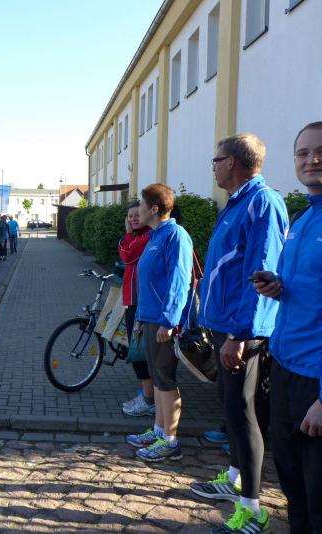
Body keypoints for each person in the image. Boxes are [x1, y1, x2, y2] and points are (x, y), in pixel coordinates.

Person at [253, 121, 322, 533]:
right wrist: (279, 287)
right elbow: (318, 289)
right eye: (302, 153)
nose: (311, 159)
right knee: (295, 490)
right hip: (285, 370)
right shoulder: (303, 216)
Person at [189, 133, 287, 534]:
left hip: (241, 331)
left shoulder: (262, 202)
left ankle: (253, 508)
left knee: (244, 413)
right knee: (230, 410)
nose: (213, 167)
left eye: (216, 160)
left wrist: (240, 333)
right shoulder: (236, 203)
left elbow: (262, 273)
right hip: (225, 326)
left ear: (232, 162)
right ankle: (232, 480)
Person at [125, 183, 192, 462]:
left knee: (165, 379)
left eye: (141, 205)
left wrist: (169, 321)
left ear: (154, 209)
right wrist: (141, 318)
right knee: (157, 375)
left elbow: (179, 281)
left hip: (164, 321)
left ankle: (170, 441)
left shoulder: (175, 235)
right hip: (151, 319)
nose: (137, 210)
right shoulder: (155, 236)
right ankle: (158, 430)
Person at [117, 201, 155, 418]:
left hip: (140, 302)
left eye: (137, 214)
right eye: (130, 216)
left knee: (139, 352)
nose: (133, 218)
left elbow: (127, 255)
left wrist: (128, 233)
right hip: (132, 300)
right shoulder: (139, 236)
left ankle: (149, 400)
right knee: (138, 351)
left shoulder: (146, 237)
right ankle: (147, 394)